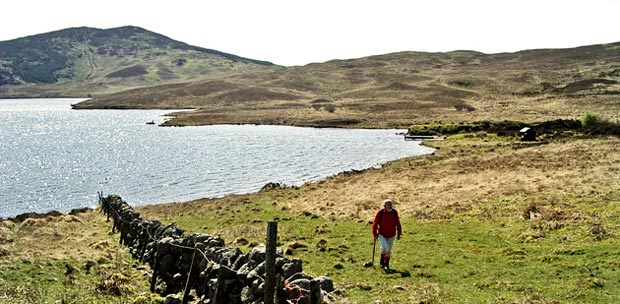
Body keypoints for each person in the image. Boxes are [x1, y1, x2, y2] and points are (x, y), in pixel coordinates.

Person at [371, 199, 402, 271]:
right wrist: (374, 233)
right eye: (388, 204)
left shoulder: (394, 212)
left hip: (392, 234)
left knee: (389, 250)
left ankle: (386, 264)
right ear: (384, 206)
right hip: (382, 234)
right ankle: (382, 261)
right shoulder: (381, 212)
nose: (389, 206)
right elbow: (375, 223)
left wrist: (399, 233)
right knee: (384, 247)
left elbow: (398, 223)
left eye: (390, 204)